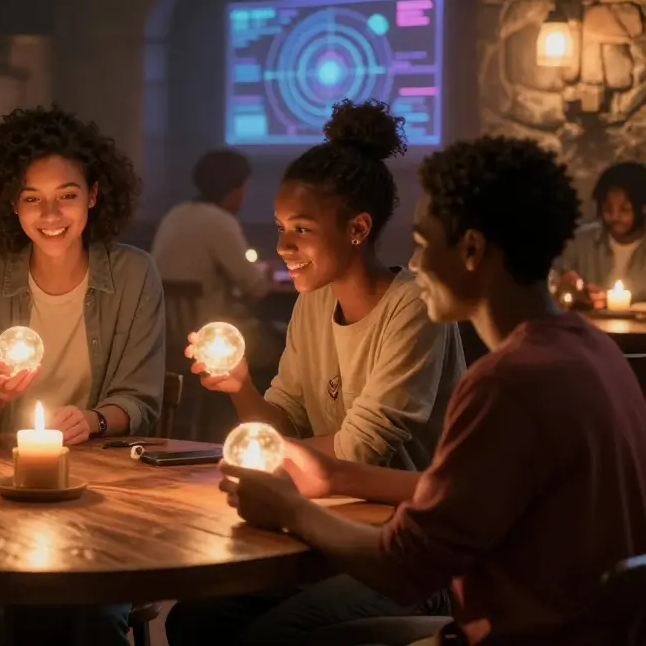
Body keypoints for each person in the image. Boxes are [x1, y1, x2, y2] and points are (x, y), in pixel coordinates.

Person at [219, 135, 646, 644]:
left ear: (470, 249)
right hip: (587, 628)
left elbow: (404, 569)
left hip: (514, 632)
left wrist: (292, 510)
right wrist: (332, 475)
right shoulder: (594, 350)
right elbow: (463, 491)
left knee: (267, 637)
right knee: (205, 619)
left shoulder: (507, 383)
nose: (414, 266)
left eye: (422, 243)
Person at [167, 100, 462, 644]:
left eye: (300, 228)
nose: (282, 246)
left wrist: (280, 456)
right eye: (280, 227)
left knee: (273, 634)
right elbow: (285, 424)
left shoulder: (414, 307)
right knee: (193, 618)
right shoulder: (311, 304)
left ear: (357, 228)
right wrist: (241, 386)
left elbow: (359, 450)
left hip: (412, 549)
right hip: (325, 529)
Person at [0, 105, 165, 646]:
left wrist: (92, 420)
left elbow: (140, 401)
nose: (50, 213)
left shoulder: (135, 275)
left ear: (92, 195)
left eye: (66, 194)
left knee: (93, 616)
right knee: (6, 618)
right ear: (11, 205)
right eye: (31, 198)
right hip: (5, 490)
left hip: (106, 491)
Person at [151, 148, 271, 333]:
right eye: (245, 187)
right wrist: (265, 273)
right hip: (213, 336)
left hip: (166, 339)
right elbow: (256, 287)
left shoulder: (174, 215)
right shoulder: (220, 221)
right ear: (234, 189)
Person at [555, 160, 646, 305]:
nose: (614, 217)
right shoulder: (579, 241)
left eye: (624, 210)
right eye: (608, 209)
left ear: (643, 209)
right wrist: (569, 286)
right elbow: (555, 278)